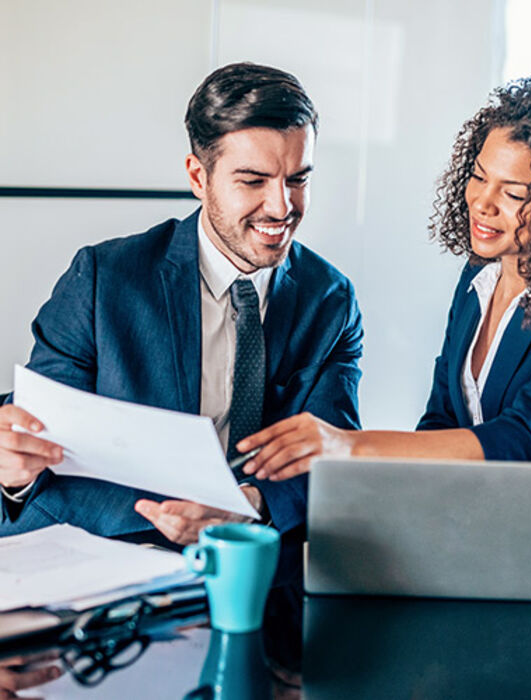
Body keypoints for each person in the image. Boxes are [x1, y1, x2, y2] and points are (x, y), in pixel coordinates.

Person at [238, 73, 531, 697]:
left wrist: (346, 446)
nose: (483, 202)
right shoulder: (477, 280)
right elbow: (445, 422)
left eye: (514, 191)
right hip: (479, 551)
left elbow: (521, 442)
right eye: (478, 176)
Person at [0, 62, 363, 668]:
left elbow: (330, 458)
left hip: (252, 589)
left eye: (298, 179)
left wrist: (248, 503)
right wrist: (13, 466)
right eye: (254, 181)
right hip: (94, 586)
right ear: (198, 176)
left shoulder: (331, 299)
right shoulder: (104, 278)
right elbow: (41, 435)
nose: (283, 206)